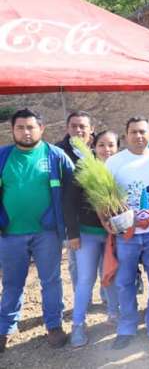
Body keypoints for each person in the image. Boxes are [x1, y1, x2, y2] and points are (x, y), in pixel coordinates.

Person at [0, 109, 74, 352]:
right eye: (20, 127)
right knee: (12, 282)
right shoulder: (3, 157)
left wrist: (69, 227)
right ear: (13, 130)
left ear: (41, 129)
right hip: (10, 233)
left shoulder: (55, 155)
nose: (26, 132)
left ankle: (54, 325)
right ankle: (6, 328)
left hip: (47, 233)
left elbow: (72, 190)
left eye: (31, 127)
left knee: (51, 280)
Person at [104, 117, 149, 349]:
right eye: (133, 132)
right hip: (126, 235)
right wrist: (106, 221)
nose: (139, 136)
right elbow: (103, 198)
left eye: (143, 132)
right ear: (125, 135)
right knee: (125, 282)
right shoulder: (114, 162)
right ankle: (127, 327)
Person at [65, 130, 121, 347]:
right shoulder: (83, 170)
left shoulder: (121, 168)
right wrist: (73, 234)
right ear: (93, 147)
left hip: (113, 235)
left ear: (117, 147)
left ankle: (114, 314)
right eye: (101, 145)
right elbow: (68, 204)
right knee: (86, 279)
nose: (106, 150)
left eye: (111, 145)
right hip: (87, 235)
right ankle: (78, 324)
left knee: (111, 275)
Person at [57, 111, 95, 293]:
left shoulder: (101, 148)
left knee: (105, 261)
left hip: (98, 219)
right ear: (67, 128)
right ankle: (83, 300)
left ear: (91, 129)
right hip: (72, 218)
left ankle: (106, 299)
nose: (78, 130)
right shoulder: (58, 153)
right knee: (76, 262)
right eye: (73, 126)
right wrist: (70, 229)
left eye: (83, 126)